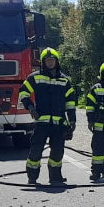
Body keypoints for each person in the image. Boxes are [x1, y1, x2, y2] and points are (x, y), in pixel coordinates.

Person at [18, 48, 77, 186]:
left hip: (59, 123)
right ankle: (32, 177)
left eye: (52, 60)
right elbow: (23, 92)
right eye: (48, 60)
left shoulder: (65, 80)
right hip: (41, 123)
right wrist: (30, 107)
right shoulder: (35, 77)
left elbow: (70, 103)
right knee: (36, 150)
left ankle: (55, 177)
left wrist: (72, 120)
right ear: (43, 62)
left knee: (57, 151)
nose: (50, 62)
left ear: (57, 61)